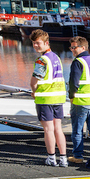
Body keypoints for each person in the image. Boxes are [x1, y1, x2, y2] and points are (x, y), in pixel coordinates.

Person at [28, 29, 68, 167]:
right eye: (33, 43)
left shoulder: (41, 60)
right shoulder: (56, 57)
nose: (35, 46)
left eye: (38, 43)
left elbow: (33, 82)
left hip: (45, 99)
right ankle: (63, 158)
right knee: (58, 129)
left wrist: (34, 92)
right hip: (58, 98)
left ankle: (51, 158)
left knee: (48, 130)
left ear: (46, 43)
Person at [67, 36, 90, 165]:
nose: (72, 50)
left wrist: (71, 97)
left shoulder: (78, 62)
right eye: (71, 47)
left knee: (77, 131)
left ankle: (78, 155)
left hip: (82, 102)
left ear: (83, 47)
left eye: (74, 47)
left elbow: (74, 83)